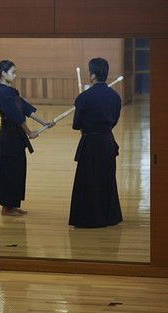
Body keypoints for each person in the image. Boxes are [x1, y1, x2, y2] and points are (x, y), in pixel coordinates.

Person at [0, 60, 54, 216]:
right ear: (3, 73)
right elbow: (16, 116)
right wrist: (29, 132)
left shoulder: (10, 91)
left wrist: (43, 122)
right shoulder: (2, 93)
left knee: (17, 171)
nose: (15, 75)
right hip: (8, 140)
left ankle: (12, 205)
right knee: (9, 173)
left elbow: (25, 108)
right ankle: (6, 208)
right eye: (13, 72)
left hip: (15, 139)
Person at [69, 58, 123, 228]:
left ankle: (89, 219)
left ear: (92, 75)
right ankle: (109, 218)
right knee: (106, 178)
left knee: (88, 180)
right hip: (107, 140)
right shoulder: (115, 96)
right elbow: (114, 120)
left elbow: (76, 124)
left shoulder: (84, 97)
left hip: (90, 142)